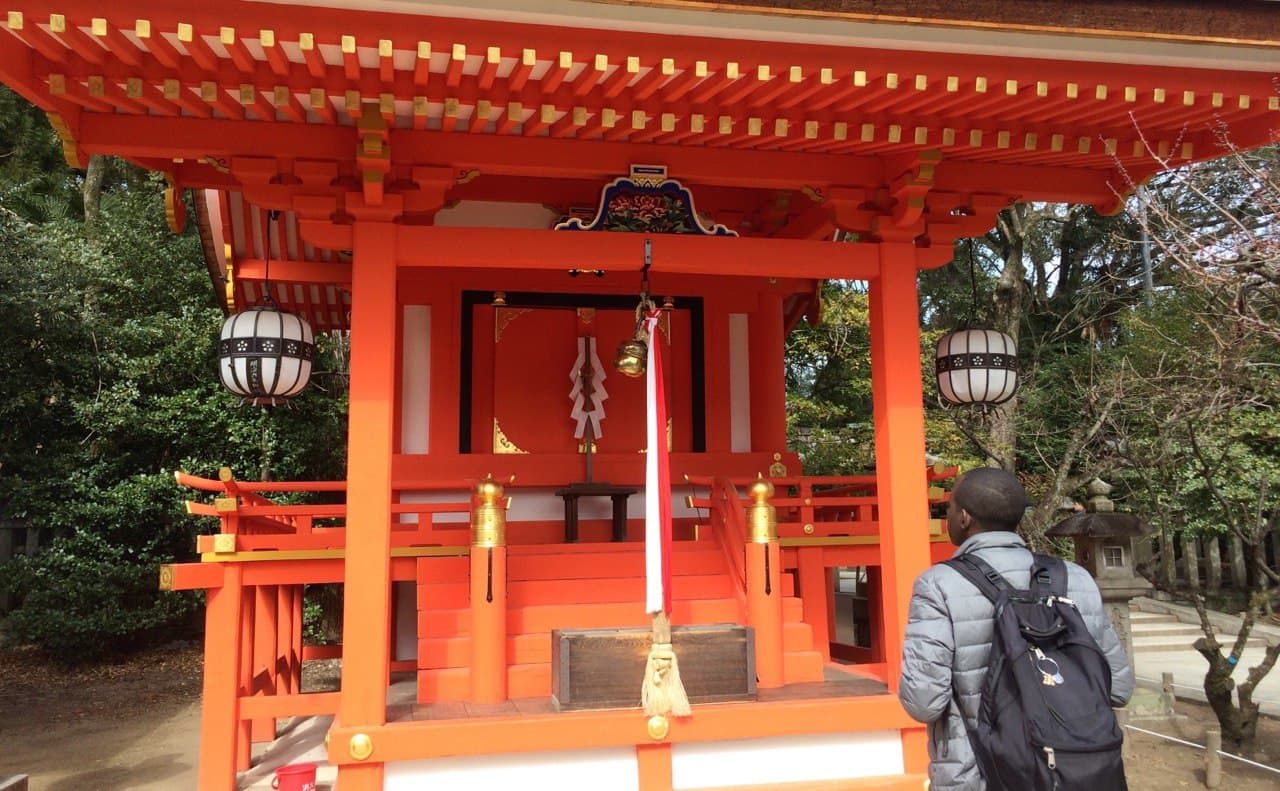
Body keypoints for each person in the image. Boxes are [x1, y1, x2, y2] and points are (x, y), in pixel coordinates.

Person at [899, 468, 1133, 790]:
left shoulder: (938, 585)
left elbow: (923, 701)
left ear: (965, 517)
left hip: (979, 775)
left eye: (950, 508)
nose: (948, 515)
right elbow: (1119, 688)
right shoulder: (1074, 578)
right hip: (1076, 771)